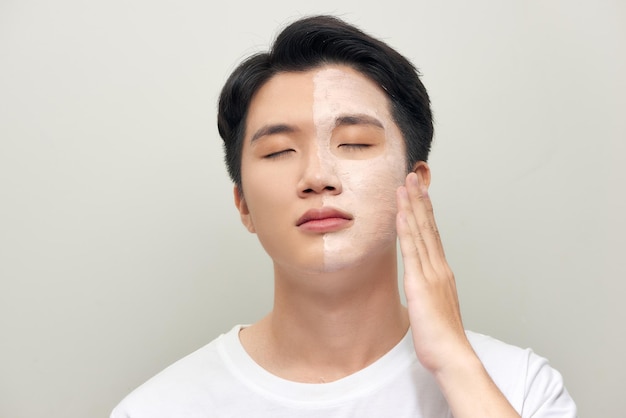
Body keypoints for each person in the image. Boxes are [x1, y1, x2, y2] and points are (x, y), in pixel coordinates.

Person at [111, 15, 576, 417]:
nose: (317, 176)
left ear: (415, 183)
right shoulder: (157, 409)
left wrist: (455, 363)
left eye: (354, 143)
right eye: (278, 151)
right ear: (244, 205)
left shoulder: (519, 387)